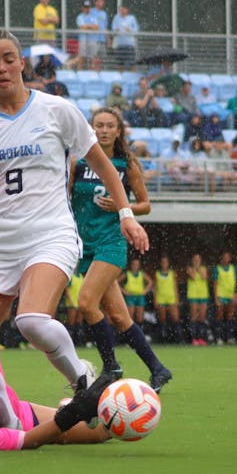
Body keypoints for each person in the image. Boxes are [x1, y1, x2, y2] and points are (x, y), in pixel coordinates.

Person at [0, 29, 148, 430]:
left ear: (22, 63)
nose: (2, 67)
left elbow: (105, 165)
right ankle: (11, 427)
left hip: (49, 232)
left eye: (9, 58)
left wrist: (126, 213)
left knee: (31, 320)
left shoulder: (56, 110)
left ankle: (84, 380)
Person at [70, 108, 171, 390]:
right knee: (118, 317)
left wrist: (122, 206)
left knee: (86, 302)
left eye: (109, 126)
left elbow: (145, 205)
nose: (103, 130)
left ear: (118, 131)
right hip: (85, 247)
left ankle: (111, 366)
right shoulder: (77, 161)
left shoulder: (126, 164)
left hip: (111, 243)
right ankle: (158, 369)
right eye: (98, 125)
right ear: (91, 129)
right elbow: (64, 196)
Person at [154, 256, 181, 344]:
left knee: (175, 318)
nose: (164, 264)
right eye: (162, 262)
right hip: (161, 299)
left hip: (171, 298)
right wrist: (155, 300)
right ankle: (163, 339)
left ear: (168, 264)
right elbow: (156, 288)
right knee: (162, 319)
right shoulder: (157, 274)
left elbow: (175, 287)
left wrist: (177, 299)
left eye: (166, 262)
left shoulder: (172, 273)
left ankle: (176, 338)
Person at [213, 251, 237, 345]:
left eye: (228, 257)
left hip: (230, 296)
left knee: (230, 316)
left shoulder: (233, 268)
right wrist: (216, 297)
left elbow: (235, 282)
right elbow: (215, 284)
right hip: (221, 296)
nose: (226, 259)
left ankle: (230, 337)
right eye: (224, 257)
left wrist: (235, 294)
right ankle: (219, 337)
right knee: (219, 316)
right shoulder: (217, 269)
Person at [120, 258, 152, 326]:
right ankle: (131, 334)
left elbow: (150, 282)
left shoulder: (142, 274)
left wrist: (145, 291)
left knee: (140, 318)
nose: (135, 266)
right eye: (134, 264)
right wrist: (124, 291)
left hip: (140, 297)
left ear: (139, 266)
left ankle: (140, 332)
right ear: (131, 265)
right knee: (130, 317)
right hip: (130, 297)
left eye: (137, 264)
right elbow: (116, 282)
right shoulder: (127, 274)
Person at [186, 254, 209, 346]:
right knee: (194, 316)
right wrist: (195, 268)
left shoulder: (203, 269)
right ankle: (194, 338)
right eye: (195, 260)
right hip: (193, 295)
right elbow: (193, 276)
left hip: (203, 295)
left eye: (198, 259)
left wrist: (198, 268)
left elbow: (204, 277)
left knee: (202, 317)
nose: (196, 261)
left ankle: (201, 338)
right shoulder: (189, 269)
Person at [111, 5, 138, 72]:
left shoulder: (132, 18)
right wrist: (116, 30)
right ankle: (120, 78)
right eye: (121, 9)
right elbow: (113, 29)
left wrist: (130, 30)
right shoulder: (116, 18)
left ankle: (132, 77)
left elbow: (136, 30)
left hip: (129, 45)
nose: (122, 11)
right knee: (119, 64)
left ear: (127, 10)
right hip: (120, 45)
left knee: (132, 63)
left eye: (123, 9)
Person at [75, 1, 99, 70]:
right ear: (82, 8)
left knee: (92, 58)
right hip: (83, 39)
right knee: (81, 57)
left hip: (92, 39)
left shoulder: (93, 16)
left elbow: (96, 27)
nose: (87, 9)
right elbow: (82, 27)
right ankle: (79, 73)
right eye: (85, 7)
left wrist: (87, 26)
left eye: (88, 7)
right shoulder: (80, 17)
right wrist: (91, 26)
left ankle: (91, 74)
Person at [64, 268, 84, 346]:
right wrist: (71, 301)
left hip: (80, 302)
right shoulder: (71, 276)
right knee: (71, 323)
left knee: (79, 322)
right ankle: (69, 342)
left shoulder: (81, 276)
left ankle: (78, 342)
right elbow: (67, 290)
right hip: (71, 303)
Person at [90, 0, 109, 72]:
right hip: (93, 39)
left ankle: (98, 73)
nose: (101, 3)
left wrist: (108, 39)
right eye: (99, 1)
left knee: (100, 59)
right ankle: (92, 73)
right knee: (93, 58)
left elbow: (105, 27)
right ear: (96, 2)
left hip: (102, 39)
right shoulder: (91, 11)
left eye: (102, 1)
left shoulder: (104, 13)